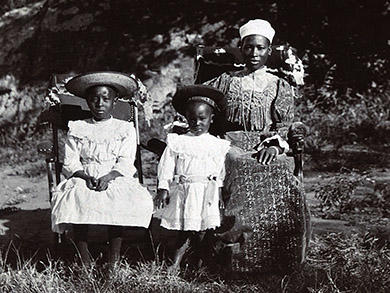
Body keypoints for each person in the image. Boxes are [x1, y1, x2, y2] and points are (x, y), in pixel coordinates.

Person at [204, 19, 310, 273]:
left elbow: (284, 124)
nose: (254, 53)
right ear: (241, 48)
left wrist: (274, 146)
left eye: (260, 48)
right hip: (230, 143)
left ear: (269, 51)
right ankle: (233, 252)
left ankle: (280, 255)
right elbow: (199, 103)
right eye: (249, 47)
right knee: (238, 163)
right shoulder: (225, 81)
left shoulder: (279, 84)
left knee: (282, 169)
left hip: (266, 144)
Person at [51, 72, 154, 268]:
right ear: (87, 102)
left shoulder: (124, 129)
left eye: (106, 99)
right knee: (77, 197)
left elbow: (125, 161)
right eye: (94, 99)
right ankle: (84, 259)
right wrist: (84, 176)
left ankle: (113, 259)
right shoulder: (78, 127)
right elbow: (71, 161)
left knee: (118, 198)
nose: (100, 103)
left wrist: (109, 176)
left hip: (115, 174)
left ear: (114, 102)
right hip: (84, 174)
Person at [154, 85, 231, 271]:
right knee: (185, 228)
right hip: (185, 191)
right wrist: (163, 187)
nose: (197, 123)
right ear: (186, 118)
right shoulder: (178, 141)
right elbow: (166, 165)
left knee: (204, 229)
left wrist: (219, 192)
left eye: (202, 118)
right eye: (192, 119)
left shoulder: (216, 144)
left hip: (207, 191)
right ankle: (176, 263)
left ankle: (203, 262)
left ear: (211, 119)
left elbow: (219, 171)